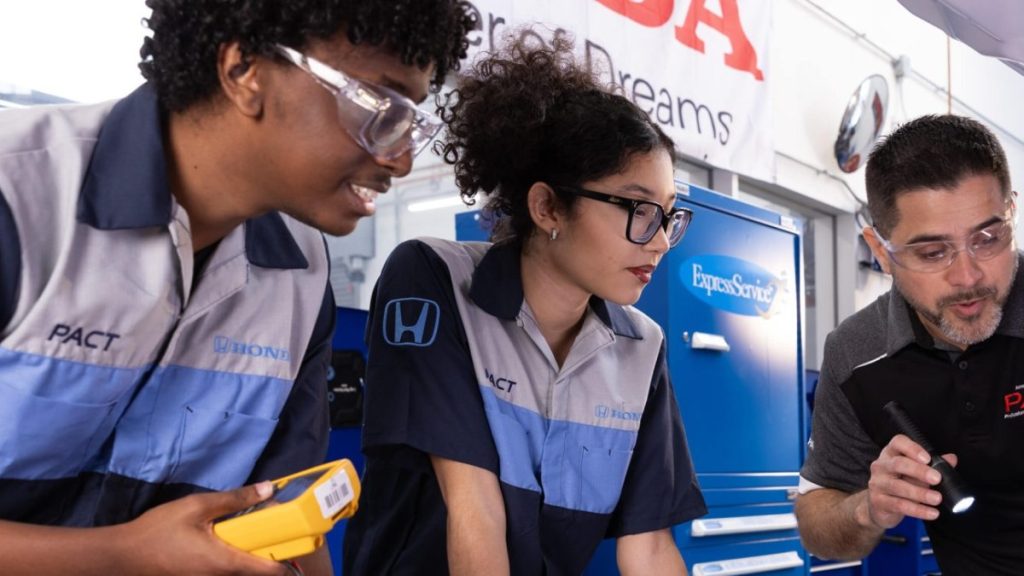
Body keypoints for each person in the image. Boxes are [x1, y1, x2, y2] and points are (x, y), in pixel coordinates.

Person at [0, 1, 473, 574]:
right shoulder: (19, 196)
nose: (398, 160)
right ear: (243, 70)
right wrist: (121, 556)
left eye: (412, 121)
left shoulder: (301, 273)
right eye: (381, 105)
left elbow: (287, 516)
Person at [342, 35, 708, 576]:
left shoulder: (641, 346)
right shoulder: (433, 279)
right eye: (637, 208)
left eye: (669, 215)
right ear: (547, 207)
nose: (658, 240)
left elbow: (649, 546)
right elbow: (475, 509)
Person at [795, 114, 1020, 574]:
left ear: (1010, 213)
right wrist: (869, 508)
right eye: (933, 252)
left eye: (987, 238)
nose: (969, 276)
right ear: (881, 252)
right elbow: (818, 524)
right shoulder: (856, 352)